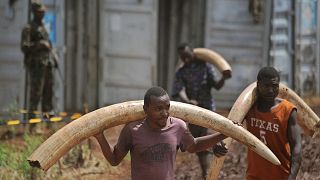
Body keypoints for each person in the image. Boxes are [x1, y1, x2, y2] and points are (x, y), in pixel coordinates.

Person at [94, 86, 228, 180]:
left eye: (167, 107)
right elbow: (114, 160)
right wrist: (100, 136)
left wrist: (223, 134)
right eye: (158, 109)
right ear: (145, 109)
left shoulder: (178, 126)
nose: (165, 113)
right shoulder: (132, 130)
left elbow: (194, 145)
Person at [172, 43, 228, 179]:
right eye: (182, 57)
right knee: (194, 144)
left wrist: (224, 77)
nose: (185, 59)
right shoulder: (180, 72)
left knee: (208, 146)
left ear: (192, 52)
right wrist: (188, 100)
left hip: (208, 111)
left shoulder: (205, 66)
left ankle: (207, 175)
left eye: (187, 55)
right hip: (192, 114)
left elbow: (217, 85)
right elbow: (179, 90)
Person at [243, 67, 302, 180]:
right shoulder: (248, 108)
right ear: (258, 85)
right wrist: (220, 143)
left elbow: (297, 147)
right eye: (266, 86)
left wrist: (292, 176)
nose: (271, 90)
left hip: (280, 175)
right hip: (254, 176)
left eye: (274, 86)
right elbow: (232, 127)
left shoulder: (288, 110)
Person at [20, 2, 57, 129]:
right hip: (36, 67)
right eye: (40, 11)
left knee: (48, 95)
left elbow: (49, 45)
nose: (43, 13)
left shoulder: (44, 26)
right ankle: (33, 126)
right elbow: (24, 47)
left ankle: (49, 125)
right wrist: (39, 44)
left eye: (43, 11)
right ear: (34, 12)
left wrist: (54, 57)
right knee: (35, 96)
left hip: (47, 65)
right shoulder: (28, 28)